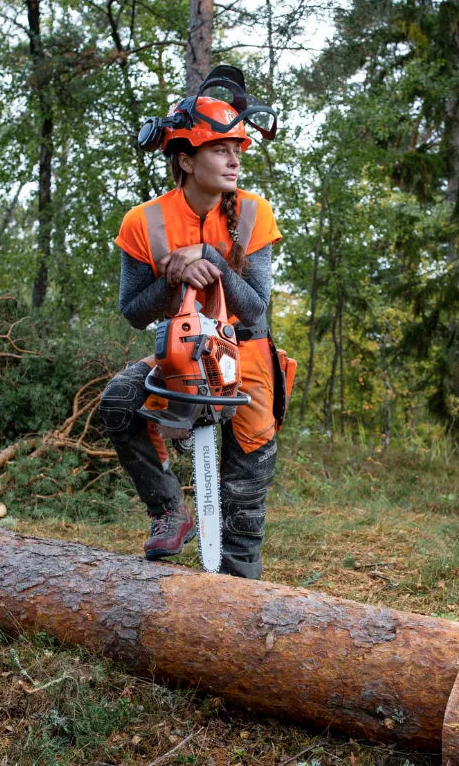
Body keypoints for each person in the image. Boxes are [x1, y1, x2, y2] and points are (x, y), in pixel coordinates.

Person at [99, 77, 282, 580]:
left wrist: (212, 260)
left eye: (236, 149)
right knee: (118, 402)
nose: (233, 160)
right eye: (219, 149)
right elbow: (134, 311)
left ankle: (240, 602)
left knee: (242, 501)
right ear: (184, 159)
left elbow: (256, 309)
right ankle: (168, 512)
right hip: (179, 352)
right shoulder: (144, 221)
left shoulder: (252, 213)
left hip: (245, 355)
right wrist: (171, 276)